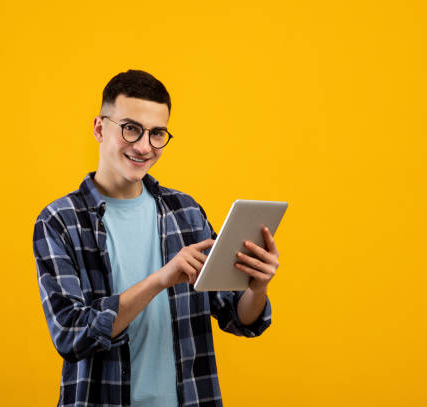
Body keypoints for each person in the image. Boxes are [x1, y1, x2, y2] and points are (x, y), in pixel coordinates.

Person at [32, 69, 280, 407]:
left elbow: (238, 318)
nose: (144, 146)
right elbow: (71, 334)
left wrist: (257, 287)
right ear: (99, 128)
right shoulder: (60, 222)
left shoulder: (187, 213)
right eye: (131, 129)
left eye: (157, 133)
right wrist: (161, 279)